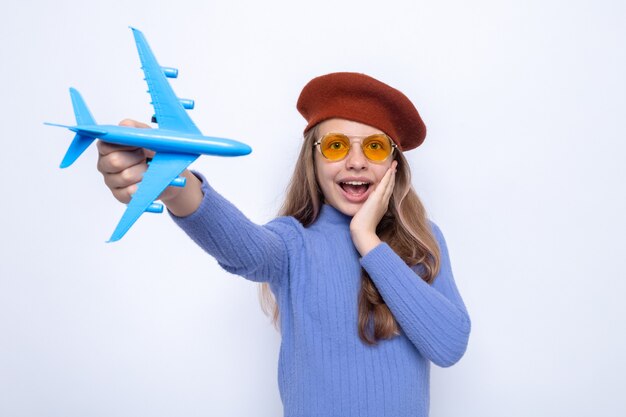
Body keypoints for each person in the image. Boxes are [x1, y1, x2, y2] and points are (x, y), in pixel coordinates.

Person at [96, 72, 471, 417]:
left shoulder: (421, 240)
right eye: (337, 146)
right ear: (312, 158)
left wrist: (368, 241)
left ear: (394, 163)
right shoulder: (294, 243)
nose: (356, 162)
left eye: (373, 147)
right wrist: (174, 184)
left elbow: (448, 345)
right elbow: (240, 245)